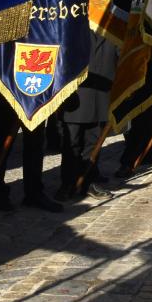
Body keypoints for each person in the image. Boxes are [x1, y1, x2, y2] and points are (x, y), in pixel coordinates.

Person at [55, 31, 117, 202]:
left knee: (93, 141)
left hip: (102, 92)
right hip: (76, 93)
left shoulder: (114, 25)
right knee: (71, 142)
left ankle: (88, 181)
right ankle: (67, 183)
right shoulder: (76, 22)